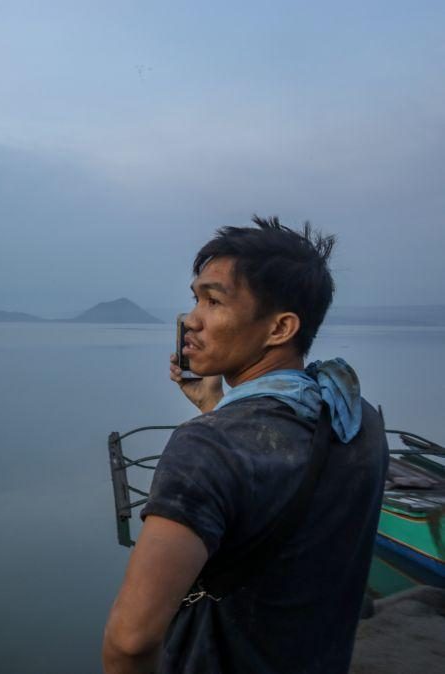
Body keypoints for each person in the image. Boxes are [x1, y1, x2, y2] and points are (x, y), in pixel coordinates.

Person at [101, 216, 388, 673]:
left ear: (279, 329)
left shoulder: (204, 450)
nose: (191, 320)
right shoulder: (358, 418)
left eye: (213, 301)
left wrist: (215, 424)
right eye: (195, 298)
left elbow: (130, 641)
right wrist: (216, 406)